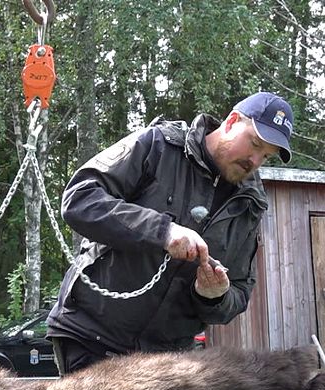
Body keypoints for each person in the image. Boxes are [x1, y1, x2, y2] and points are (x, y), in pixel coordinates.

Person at [47, 91, 294, 375]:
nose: (254, 160)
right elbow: (80, 199)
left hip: (166, 363)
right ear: (232, 121)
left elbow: (238, 293)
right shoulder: (158, 145)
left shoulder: (250, 206)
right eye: (254, 143)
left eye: (266, 156)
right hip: (92, 336)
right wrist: (163, 231)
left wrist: (213, 297)